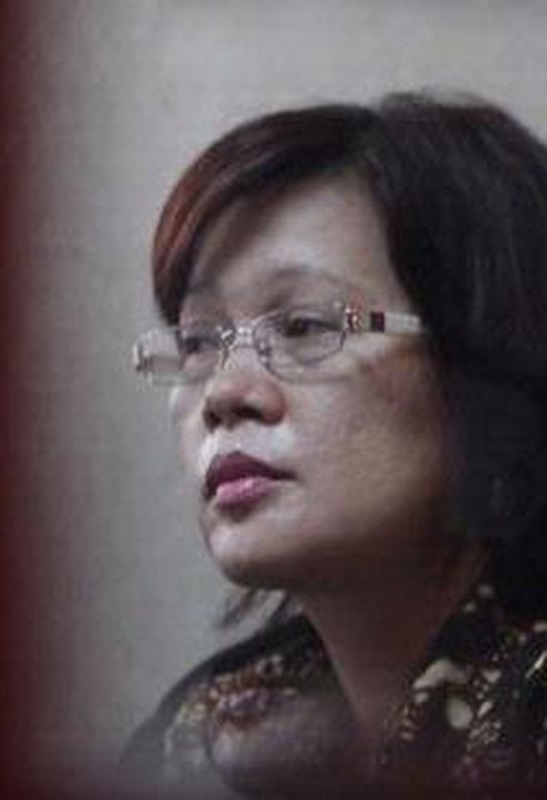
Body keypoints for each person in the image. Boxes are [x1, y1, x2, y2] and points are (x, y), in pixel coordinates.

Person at [119, 92, 547, 797]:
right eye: (198, 340)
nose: (224, 392)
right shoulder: (197, 746)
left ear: (484, 371)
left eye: (304, 327)